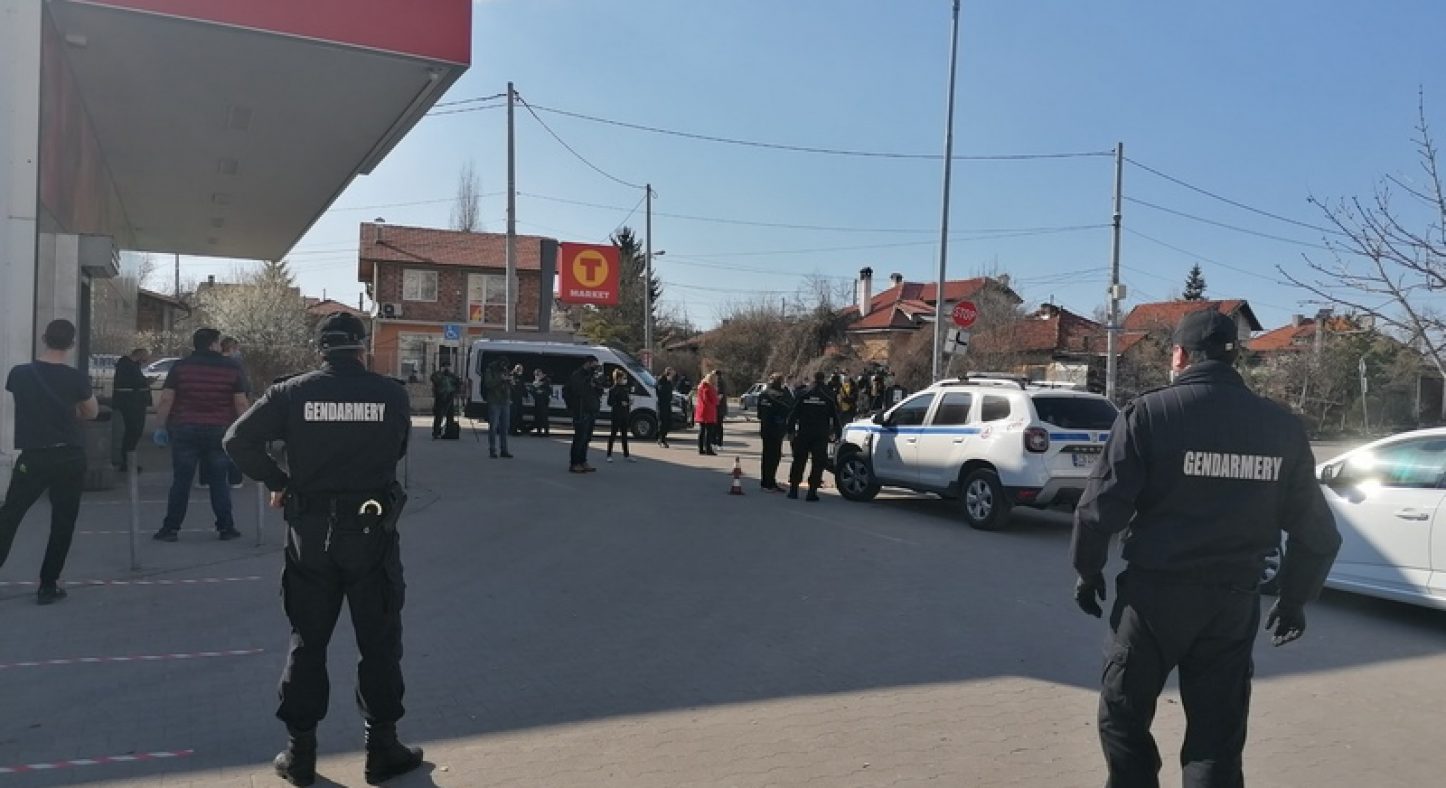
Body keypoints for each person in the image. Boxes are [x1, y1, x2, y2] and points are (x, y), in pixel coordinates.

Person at [1070, 310, 1343, 788]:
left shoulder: (1150, 414)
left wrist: (1088, 571)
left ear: (1179, 355)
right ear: (1235, 358)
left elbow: (1099, 510)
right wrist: (1295, 599)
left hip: (1152, 601)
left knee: (1123, 715)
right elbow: (1319, 533)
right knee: (1217, 737)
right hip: (1231, 605)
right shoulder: (1281, 427)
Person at [222, 312, 421, 787]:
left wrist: (280, 481)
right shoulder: (391, 394)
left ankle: (300, 754)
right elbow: (397, 451)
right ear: (362, 348)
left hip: (310, 535)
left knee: (307, 642)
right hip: (371, 533)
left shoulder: (291, 393)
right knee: (379, 641)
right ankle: (382, 750)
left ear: (321, 349)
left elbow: (236, 440)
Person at [0, 319, 97, 605]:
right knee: (63, 521)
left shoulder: (19, 374)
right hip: (69, 455)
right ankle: (48, 584)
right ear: (72, 343)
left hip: (33, 455)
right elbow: (91, 412)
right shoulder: (76, 378)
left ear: (44, 338)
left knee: (10, 515)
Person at [152, 328, 250, 542]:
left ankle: (170, 529)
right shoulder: (231, 368)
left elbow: (167, 399)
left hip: (185, 428)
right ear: (213, 344)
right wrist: (246, 430)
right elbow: (241, 403)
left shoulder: (181, 367)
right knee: (219, 481)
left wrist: (160, 427)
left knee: (181, 481)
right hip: (219, 430)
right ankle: (226, 528)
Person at [786, 371, 839, 501]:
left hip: (804, 432)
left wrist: (790, 431)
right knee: (818, 463)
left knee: (799, 460)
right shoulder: (828, 394)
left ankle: (793, 490)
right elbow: (835, 416)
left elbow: (793, 413)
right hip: (820, 433)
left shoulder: (803, 393)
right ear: (824, 379)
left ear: (813, 378)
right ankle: (812, 492)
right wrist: (837, 432)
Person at [112, 347, 151, 472]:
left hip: (134, 402)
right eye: (146, 356)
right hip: (131, 403)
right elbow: (134, 381)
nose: (147, 359)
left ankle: (128, 460)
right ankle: (127, 461)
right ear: (140, 355)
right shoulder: (127, 365)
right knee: (133, 431)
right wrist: (145, 382)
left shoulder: (131, 365)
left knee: (133, 432)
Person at [755, 373, 794, 492]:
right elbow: (790, 407)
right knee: (774, 456)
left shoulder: (763, 394)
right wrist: (786, 390)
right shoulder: (780, 395)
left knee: (766, 455)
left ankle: (765, 482)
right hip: (776, 429)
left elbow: (759, 414)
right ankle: (770, 482)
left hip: (765, 428)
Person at [564, 357, 603, 473]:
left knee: (587, 438)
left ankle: (583, 461)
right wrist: (589, 382)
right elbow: (578, 390)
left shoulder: (592, 376)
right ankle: (574, 463)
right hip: (581, 411)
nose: (595, 368)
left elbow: (599, 392)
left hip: (591, 410)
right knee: (579, 437)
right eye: (594, 365)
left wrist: (598, 385)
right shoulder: (577, 375)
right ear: (588, 363)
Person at [482, 357, 514, 459]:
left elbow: (509, 385)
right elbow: (488, 383)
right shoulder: (490, 369)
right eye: (504, 365)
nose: (505, 367)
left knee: (505, 427)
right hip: (494, 401)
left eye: (506, 366)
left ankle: (504, 450)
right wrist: (500, 379)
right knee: (493, 427)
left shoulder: (505, 370)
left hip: (505, 401)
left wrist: (510, 381)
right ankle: (492, 450)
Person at [604, 369, 635, 463]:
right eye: (622, 378)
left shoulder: (625, 389)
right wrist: (619, 403)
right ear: (617, 379)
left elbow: (627, 400)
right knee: (613, 434)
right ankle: (609, 454)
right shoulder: (613, 389)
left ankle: (626, 454)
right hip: (616, 414)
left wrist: (629, 403)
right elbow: (610, 402)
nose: (624, 380)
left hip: (625, 414)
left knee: (624, 435)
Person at [429, 360, 460, 439]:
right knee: (439, 416)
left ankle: (449, 432)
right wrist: (442, 375)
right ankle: (436, 432)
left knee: (450, 416)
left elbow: (457, 383)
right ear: (441, 367)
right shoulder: (437, 375)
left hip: (450, 397)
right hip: (440, 397)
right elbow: (433, 379)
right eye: (444, 366)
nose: (446, 368)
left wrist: (457, 383)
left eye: (448, 366)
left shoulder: (452, 376)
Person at [694, 371, 720, 456]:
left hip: (701, 410)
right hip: (708, 411)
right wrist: (718, 398)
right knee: (709, 431)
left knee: (702, 430)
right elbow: (714, 400)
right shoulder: (709, 388)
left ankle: (701, 448)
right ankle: (708, 449)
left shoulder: (701, 387)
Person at [655, 367, 675, 448]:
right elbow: (660, 391)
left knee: (668, 422)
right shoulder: (661, 380)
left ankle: (663, 437)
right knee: (662, 422)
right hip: (662, 404)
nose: (672, 376)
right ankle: (661, 439)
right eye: (671, 374)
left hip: (668, 404)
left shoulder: (669, 382)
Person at [529, 369, 552, 436]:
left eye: (538, 374)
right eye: (536, 375)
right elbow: (531, 390)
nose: (537, 376)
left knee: (544, 416)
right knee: (537, 416)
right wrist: (535, 392)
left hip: (544, 401)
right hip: (537, 401)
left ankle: (546, 432)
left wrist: (542, 391)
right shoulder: (535, 382)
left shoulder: (546, 381)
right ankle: (539, 431)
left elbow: (549, 391)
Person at [509, 363, 527, 436]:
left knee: (519, 415)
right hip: (513, 399)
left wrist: (526, 395)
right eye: (519, 369)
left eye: (521, 369)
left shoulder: (520, 377)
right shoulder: (512, 377)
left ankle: (516, 429)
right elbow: (510, 389)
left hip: (519, 399)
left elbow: (522, 387)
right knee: (513, 415)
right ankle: (512, 430)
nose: (521, 371)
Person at [713, 370, 728, 447]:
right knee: (718, 425)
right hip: (721, 407)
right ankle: (718, 441)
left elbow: (720, 395)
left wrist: (715, 402)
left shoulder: (719, 382)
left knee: (717, 425)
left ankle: (718, 442)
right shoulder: (722, 382)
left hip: (719, 408)